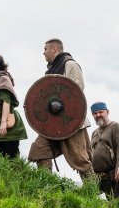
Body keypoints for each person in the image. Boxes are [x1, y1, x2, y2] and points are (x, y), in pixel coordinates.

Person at [27, 39, 94, 180]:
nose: (43, 53)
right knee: (39, 151)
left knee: (81, 159)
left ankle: (91, 189)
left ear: (54, 49)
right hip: (51, 123)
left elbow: (77, 90)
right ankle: (48, 184)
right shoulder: (51, 70)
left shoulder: (70, 64)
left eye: (45, 49)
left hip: (71, 121)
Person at [89, 101, 119, 195]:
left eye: (101, 112)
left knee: (114, 202)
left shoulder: (115, 126)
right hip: (97, 177)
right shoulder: (94, 132)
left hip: (111, 176)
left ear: (107, 112)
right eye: (95, 113)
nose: (98, 115)